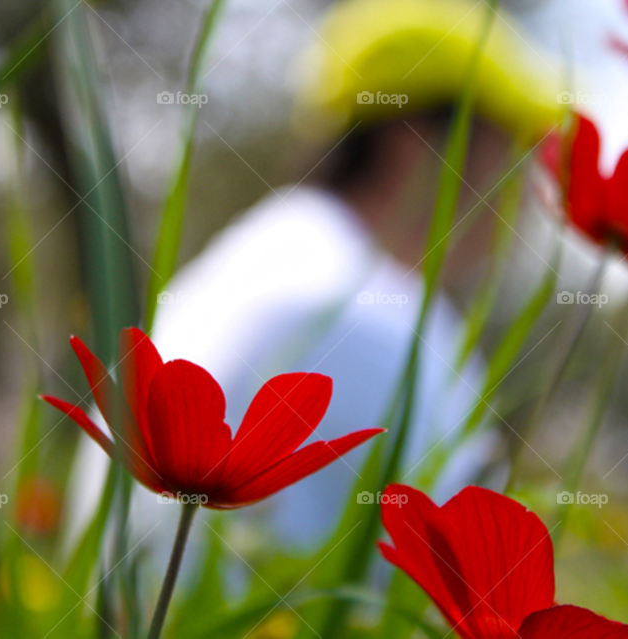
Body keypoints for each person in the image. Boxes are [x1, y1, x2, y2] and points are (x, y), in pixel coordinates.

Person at [71, 0, 561, 554]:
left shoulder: (258, 254)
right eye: (513, 159)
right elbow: (463, 581)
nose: (524, 205)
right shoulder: (381, 324)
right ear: (416, 150)